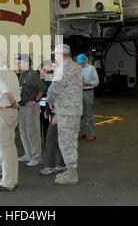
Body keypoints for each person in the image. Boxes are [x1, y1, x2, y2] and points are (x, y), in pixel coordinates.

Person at [45, 44, 83, 186]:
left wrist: (49, 100)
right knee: (71, 141)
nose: (55, 57)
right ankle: (70, 169)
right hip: (73, 110)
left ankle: (72, 174)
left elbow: (54, 88)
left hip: (67, 111)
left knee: (66, 142)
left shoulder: (63, 68)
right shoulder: (75, 67)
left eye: (56, 55)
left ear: (61, 55)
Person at [0, 49, 21, 191]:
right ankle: (12, 178)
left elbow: (6, 90)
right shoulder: (12, 73)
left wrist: (12, 101)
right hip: (11, 113)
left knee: (3, 149)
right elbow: (17, 94)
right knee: (10, 148)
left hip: (2, 113)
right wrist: (14, 103)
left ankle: (7, 182)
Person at [17, 54, 47, 167]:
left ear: (26, 63)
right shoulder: (22, 75)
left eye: (19, 62)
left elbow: (43, 88)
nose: (18, 64)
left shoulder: (33, 75)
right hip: (22, 106)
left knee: (32, 132)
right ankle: (28, 154)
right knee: (23, 131)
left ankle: (36, 157)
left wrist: (35, 100)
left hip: (31, 107)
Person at [39, 90, 66, 176]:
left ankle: (52, 165)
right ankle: (62, 164)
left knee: (51, 138)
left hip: (62, 113)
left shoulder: (65, 78)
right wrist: (47, 109)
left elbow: (67, 95)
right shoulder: (56, 77)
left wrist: (58, 114)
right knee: (59, 139)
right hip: (55, 112)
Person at [77, 53, 99, 141]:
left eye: (82, 62)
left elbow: (96, 82)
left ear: (86, 60)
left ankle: (92, 133)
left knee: (89, 113)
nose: (81, 64)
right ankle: (82, 133)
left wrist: (88, 83)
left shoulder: (91, 69)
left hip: (88, 91)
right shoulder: (77, 69)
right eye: (80, 62)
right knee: (80, 114)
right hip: (78, 92)